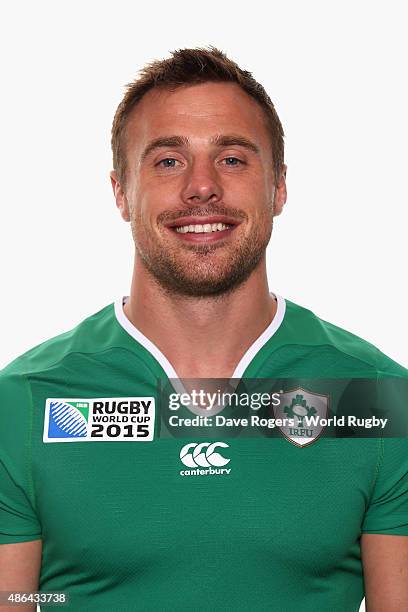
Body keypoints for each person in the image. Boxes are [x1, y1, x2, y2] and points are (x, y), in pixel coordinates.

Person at [0, 46, 407, 612]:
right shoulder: (24, 401)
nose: (201, 187)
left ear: (279, 188)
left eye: (233, 159)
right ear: (121, 192)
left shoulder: (378, 396)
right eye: (168, 161)